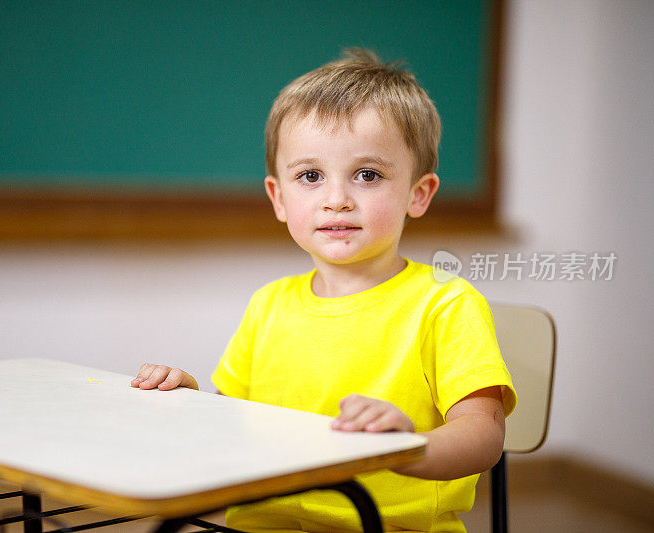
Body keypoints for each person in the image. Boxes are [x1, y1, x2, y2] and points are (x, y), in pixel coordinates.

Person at [131, 48, 516, 533]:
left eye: (368, 175)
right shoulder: (268, 304)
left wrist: (404, 447)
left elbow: (483, 435)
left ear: (418, 194)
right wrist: (188, 400)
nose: (336, 200)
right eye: (311, 177)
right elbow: (230, 422)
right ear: (278, 197)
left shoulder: (446, 303)